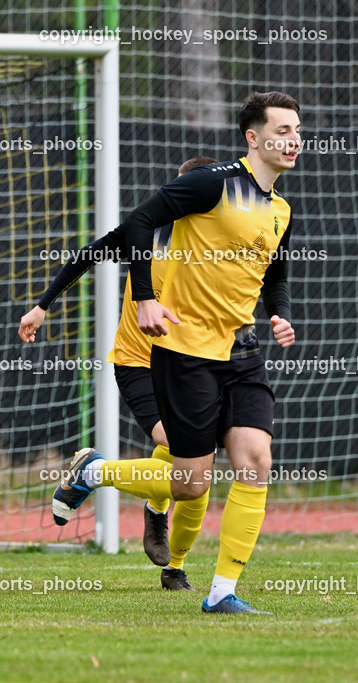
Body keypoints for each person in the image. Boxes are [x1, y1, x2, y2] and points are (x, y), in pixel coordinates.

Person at [50, 92, 299, 614]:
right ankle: (95, 473)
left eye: (297, 131)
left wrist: (279, 312)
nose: (294, 140)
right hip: (178, 355)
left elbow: (274, 271)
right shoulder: (212, 185)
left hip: (241, 351)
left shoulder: (280, 209)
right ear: (253, 138)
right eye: (282, 131)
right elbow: (133, 225)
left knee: (256, 459)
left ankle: (218, 589)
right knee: (191, 482)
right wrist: (139, 298)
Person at [19, 156, 217, 591]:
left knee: (198, 467)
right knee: (183, 448)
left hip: (192, 364)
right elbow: (88, 255)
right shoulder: (147, 230)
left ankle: (173, 563)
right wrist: (42, 305)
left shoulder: (221, 244)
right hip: (138, 362)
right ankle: (92, 471)